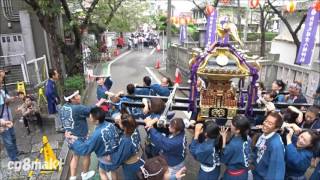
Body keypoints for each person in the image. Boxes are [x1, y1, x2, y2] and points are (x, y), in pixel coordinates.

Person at [65, 107, 120, 180]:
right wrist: (77, 138)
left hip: (106, 158)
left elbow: (85, 149)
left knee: (102, 173)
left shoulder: (97, 134)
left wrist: (72, 140)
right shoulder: (110, 124)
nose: (89, 118)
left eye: (90, 117)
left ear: (96, 121)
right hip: (115, 154)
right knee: (113, 171)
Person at [60, 90, 104, 180]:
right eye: (77, 96)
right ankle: (85, 174)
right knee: (87, 154)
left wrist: (66, 130)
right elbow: (91, 110)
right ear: (72, 99)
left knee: (75, 156)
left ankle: (72, 177)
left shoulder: (64, 107)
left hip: (70, 137)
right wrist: (100, 102)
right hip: (80, 137)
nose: (79, 96)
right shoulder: (77, 108)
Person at [101, 113, 144, 180]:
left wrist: (111, 156)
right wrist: (120, 120)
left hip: (131, 165)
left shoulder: (126, 141)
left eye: (119, 122)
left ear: (124, 126)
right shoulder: (134, 128)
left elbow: (118, 159)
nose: (118, 123)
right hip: (140, 157)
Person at [252, 112, 285, 180]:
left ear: (276, 128)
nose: (265, 124)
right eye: (266, 121)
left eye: (270, 123)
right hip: (257, 173)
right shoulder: (264, 135)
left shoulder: (276, 146)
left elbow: (276, 172)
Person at [220, 115, 250, 180]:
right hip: (243, 173)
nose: (230, 124)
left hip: (233, 175)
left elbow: (223, 159)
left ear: (238, 130)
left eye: (232, 124)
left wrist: (224, 139)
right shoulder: (248, 138)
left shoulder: (233, 145)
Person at [0, 70, 19, 161]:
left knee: (13, 137)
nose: (2, 83)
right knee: (8, 142)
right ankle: (14, 159)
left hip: (9, 119)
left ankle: (16, 153)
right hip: (3, 123)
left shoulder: (2, 92)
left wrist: (12, 99)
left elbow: (7, 100)